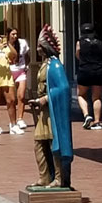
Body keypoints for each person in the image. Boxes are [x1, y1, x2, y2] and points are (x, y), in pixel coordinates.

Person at [28, 25, 74, 189]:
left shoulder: (55, 65)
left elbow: (63, 88)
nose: (38, 49)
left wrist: (45, 99)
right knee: (39, 143)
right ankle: (45, 176)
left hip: (53, 110)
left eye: (40, 46)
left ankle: (60, 178)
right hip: (44, 112)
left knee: (55, 143)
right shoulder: (45, 64)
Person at [76, 22, 102, 130]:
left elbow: (78, 55)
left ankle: (86, 115)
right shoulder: (99, 42)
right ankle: (97, 122)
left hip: (84, 70)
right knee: (97, 97)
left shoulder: (80, 42)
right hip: (98, 70)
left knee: (81, 94)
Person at [7, 28, 31, 131]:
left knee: (21, 96)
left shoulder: (22, 43)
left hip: (21, 71)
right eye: (13, 34)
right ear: (8, 35)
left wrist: (26, 66)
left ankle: (20, 118)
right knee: (11, 99)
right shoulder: (5, 45)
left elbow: (27, 56)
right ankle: (12, 120)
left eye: (16, 34)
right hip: (9, 73)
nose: (15, 36)